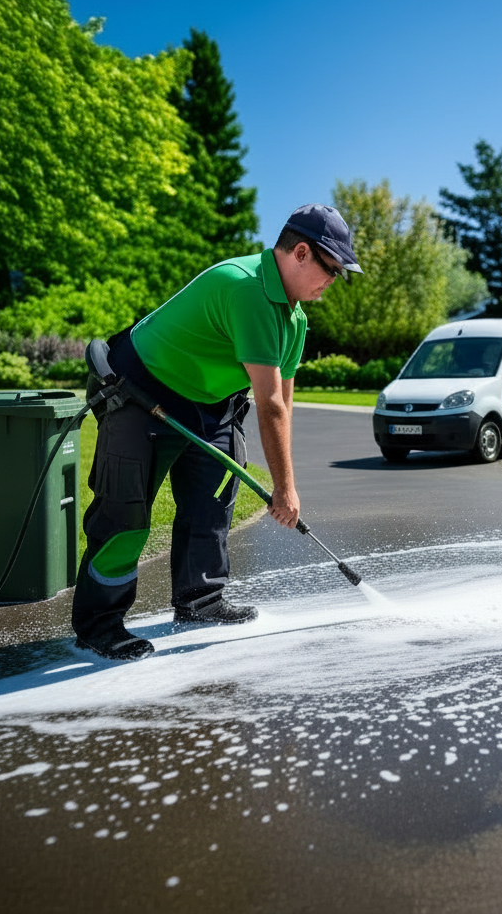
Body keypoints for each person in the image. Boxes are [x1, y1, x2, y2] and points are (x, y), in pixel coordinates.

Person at [71, 204, 363, 661]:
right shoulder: (247, 289)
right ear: (301, 252)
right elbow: (267, 405)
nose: (334, 280)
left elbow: (283, 404)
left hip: (208, 407)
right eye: (332, 268)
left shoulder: (296, 319)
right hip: (141, 395)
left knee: (211, 504)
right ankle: (98, 625)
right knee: (123, 513)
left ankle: (200, 600)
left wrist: (286, 484)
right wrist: (285, 490)